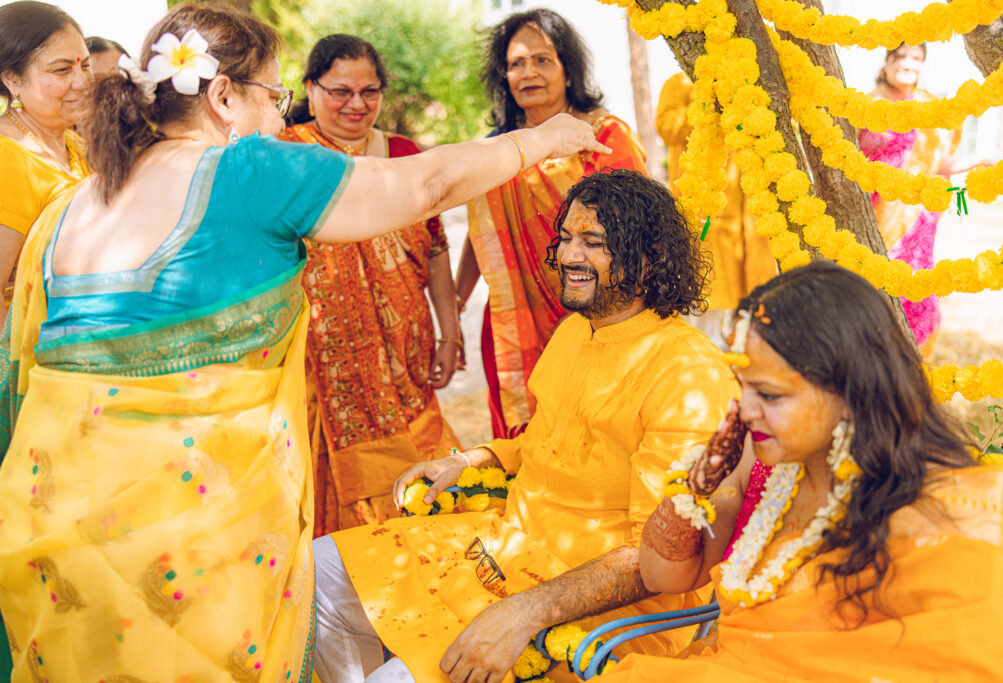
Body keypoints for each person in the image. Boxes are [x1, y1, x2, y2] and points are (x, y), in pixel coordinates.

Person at [0, 2, 609, 679]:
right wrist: (541, 139)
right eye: (273, 96)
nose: (278, 119)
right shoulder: (244, 172)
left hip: (52, 536)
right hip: (182, 555)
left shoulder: (72, 207)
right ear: (223, 97)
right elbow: (428, 184)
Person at [313, 169, 736, 683]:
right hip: (506, 547)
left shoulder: (688, 375)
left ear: (647, 260)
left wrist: (528, 610)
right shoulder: (575, 331)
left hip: (596, 609)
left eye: (594, 243)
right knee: (316, 574)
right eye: (566, 237)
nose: (569, 255)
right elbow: (550, 439)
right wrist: (472, 460)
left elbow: (659, 559)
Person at [597, 261, 1003, 682]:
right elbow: (661, 575)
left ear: (851, 392)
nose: (745, 409)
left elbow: (969, 661)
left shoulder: (949, 510)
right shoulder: (768, 463)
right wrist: (697, 486)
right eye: (742, 386)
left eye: (769, 394)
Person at [280, 35, 462, 535]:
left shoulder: (403, 154)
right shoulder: (288, 156)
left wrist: (450, 333)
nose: (356, 104)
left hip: (407, 352)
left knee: (426, 484)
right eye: (340, 91)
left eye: (369, 91)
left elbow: (435, 249)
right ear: (311, 89)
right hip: (323, 364)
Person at [456, 8, 648, 439]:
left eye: (543, 60)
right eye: (516, 63)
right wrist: (456, 299)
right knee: (524, 445)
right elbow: (482, 230)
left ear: (567, 68)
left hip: (598, 314)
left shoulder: (602, 136)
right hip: (513, 316)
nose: (529, 72)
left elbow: (638, 233)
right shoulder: (499, 149)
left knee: (599, 435)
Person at [858, 44, 987, 355]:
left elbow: (940, 164)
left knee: (914, 285)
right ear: (886, 61)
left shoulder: (930, 108)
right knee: (873, 282)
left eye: (916, 59)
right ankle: (867, 354)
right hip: (871, 215)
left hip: (918, 219)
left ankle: (909, 357)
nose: (908, 64)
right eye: (900, 57)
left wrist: (983, 160)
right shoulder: (863, 105)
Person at [656, 72, 776, 346]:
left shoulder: (744, 79)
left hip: (745, 215)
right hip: (702, 213)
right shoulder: (680, 83)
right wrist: (710, 110)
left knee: (746, 302)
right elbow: (667, 127)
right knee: (702, 297)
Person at [0, 1, 92, 316]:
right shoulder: (9, 157)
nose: (82, 81)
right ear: (12, 80)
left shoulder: (74, 145)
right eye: (62, 70)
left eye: (85, 65)